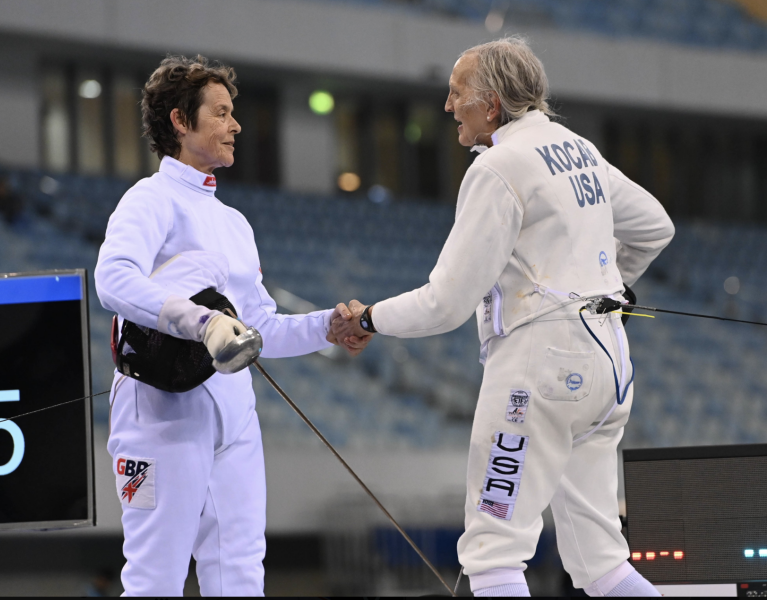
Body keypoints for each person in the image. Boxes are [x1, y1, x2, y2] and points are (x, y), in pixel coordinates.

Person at [333, 37, 674, 597]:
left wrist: (369, 318)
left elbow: (445, 303)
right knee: (601, 561)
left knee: (494, 555)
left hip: (537, 371)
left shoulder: (499, 166)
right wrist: (617, 287)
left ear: (491, 104)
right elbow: (656, 226)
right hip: (609, 366)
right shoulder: (578, 148)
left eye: (456, 93)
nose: (447, 106)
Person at [95, 55, 369, 597]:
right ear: (180, 120)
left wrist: (327, 328)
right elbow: (113, 280)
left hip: (234, 415)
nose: (235, 124)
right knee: (155, 580)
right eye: (220, 113)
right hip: (159, 412)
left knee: (241, 575)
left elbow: (259, 322)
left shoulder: (234, 223)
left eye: (233, 112)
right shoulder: (149, 199)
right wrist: (201, 322)